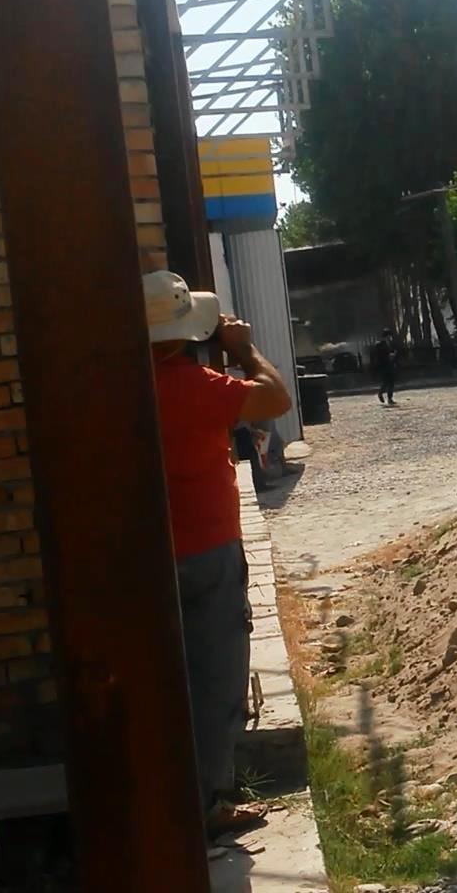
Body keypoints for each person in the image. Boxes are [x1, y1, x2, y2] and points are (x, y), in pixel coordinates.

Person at [143, 271, 292, 841]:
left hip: (145, 557)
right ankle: (207, 803)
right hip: (207, 551)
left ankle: (163, 800)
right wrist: (244, 349)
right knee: (217, 677)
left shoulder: (120, 387)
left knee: (165, 682)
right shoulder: (201, 386)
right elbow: (275, 398)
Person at [372, 328, 398, 406]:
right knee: (386, 382)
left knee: (391, 382)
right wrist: (389, 356)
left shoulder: (388, 344)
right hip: (384, 365)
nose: (390, 337)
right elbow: (380, 356)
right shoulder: (380, 344)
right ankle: (381, 393)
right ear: (387, 336)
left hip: (389, 365)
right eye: (389, 336)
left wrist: (392, 357)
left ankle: (389, 398)